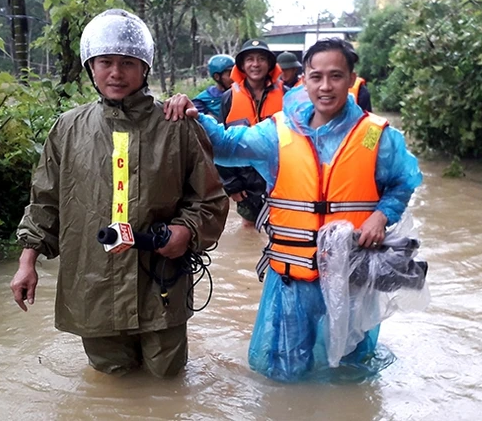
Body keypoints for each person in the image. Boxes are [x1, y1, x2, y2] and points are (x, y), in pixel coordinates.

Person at [163, 37, 422, 381]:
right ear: (305, 79)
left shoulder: (375, 136)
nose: (325, 86)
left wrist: (381, 215)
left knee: (350, 373)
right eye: (316, 77)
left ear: (351, 79)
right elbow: (225, 144)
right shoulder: (279, 132)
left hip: (351, 278)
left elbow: (403, 182)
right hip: (291, 280)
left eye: (336, 76)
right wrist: (193, 115)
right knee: (286, 373)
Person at [10, 9, 229, 379]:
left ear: (144, 68)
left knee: (168, 379)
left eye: (128, 62)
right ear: (90, 68)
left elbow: (210, 198)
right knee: (112, 380)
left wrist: (187, 231)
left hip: (160, 281)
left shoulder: (176, 126)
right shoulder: (67, 128)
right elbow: (45, 200)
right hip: (91, 282)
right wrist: (26, 261)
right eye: (106, 62)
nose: (116, 72)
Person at [218, 38, 285, 227]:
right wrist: (231, 185)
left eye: (261, 59)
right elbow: (220, 144)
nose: (256, 64)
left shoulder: (287, 95)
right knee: (248, 229)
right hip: (245, 183)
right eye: (250, 59)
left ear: (270, 64)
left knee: (282, 229)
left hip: (281, 179)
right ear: (242, 65)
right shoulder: (228, 97)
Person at [192, 54, 234, 121]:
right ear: (217, 77)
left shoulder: (242, 94)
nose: (234, 77)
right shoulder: (201, 102)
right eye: (230, 74)